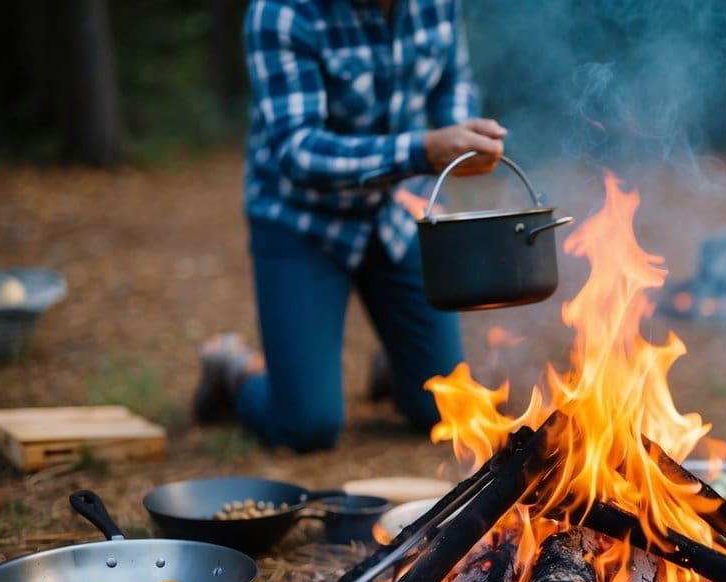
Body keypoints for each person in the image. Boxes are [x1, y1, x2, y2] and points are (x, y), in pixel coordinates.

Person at [193, 0, 506, 451]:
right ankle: (233, 368)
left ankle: (401, 358)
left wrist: (463, 132)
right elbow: (297, 150)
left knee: (445, 409)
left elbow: (451, 80)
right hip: (301, 223)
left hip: (393, 216)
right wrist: (422, 150)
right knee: (307, 427)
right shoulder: (281, 13)